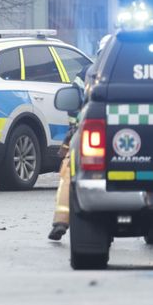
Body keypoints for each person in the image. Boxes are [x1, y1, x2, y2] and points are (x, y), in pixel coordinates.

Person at [48, 34, 109, 241]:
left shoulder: (87, 73)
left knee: (69, 174)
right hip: (130, 140)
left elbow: (73, 104)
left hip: (89, 135)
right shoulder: (136, 69)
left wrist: (75, 129)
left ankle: (61, 221)